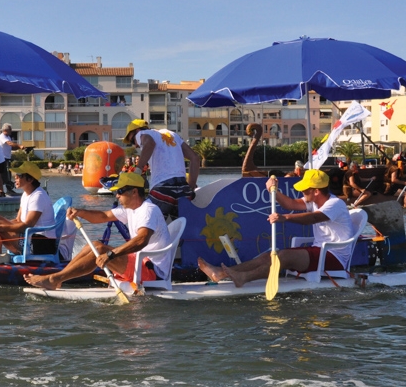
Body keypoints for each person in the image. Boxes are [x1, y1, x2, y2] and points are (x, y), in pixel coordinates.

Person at [198, 169, 355, 287]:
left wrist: (284, 218)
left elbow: (313, 218)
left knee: (283, 257)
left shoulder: (335, 204)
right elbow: (290, 204)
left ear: (316, 191)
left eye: (305, 189)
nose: (301, 191)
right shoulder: (313, 201)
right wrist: (274, 190)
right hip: (319, 251)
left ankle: (244, 278)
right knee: (269, 256)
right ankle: (221, 273)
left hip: (334, 257)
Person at [24, 172, 170, 290]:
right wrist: (80, 212)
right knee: (92, 245)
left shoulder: (148, 210)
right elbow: (103, 216)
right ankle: (58, 278)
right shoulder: (131, 209)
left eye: (120, 191)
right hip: (140, 263)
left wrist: (111, 254)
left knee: (100, 249)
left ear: (134, 192)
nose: (117, 195)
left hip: (152, 271)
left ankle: (54, 279)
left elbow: (141, 240)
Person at [124, 119, 200, 219]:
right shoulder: (172, 134)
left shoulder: (142, 133)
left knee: (149, 226)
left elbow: (150, 143)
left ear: (137, 131)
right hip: (182, 188)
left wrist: (138, 170)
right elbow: (195, 158)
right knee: (181, 229)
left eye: (133, 140)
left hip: (163, 187)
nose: (136, 145)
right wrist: (191, 188)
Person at [0, 123, 21, 195]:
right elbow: (10, 143)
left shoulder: (8, 137)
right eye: (10, 129)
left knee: (8, 174)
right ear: (6, 130)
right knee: (5, 174)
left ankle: (9, 189)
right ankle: (6, 190)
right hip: (3, 158)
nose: (11, 131)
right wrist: (20, 145)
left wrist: (21, 148)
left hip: (7, 158)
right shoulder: (2, 136)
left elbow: (11, 147)